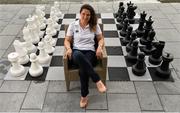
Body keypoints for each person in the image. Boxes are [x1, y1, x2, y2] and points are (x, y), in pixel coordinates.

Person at [64, 4, 107, 108]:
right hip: (76, 52)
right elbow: (67, 40)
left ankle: (84, 96)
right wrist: (69, 49)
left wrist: (100, 47)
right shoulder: (73, 25)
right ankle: (97, 80)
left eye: (88, 15)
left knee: (83, 70)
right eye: (83, 14)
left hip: (90, 53)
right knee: (78, 54)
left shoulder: (94, 25)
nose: (85, 16)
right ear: (80, 13)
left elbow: (101, 39)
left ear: (91, 16)